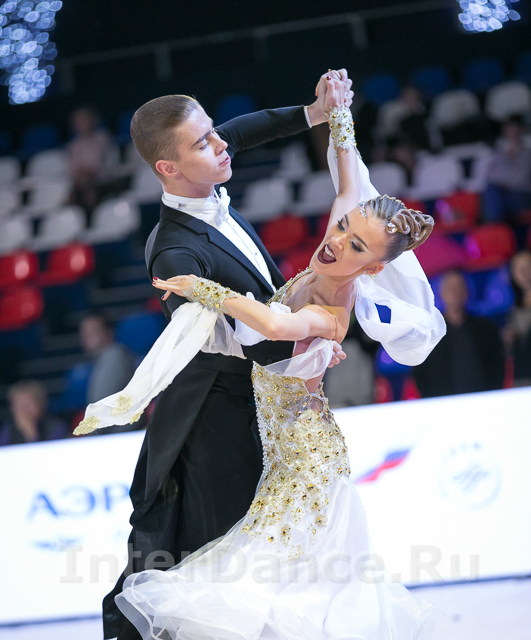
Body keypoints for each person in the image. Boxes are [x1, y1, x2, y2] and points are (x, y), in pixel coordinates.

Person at [78, 76, 446, 638]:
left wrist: (318, 112)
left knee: (260, 580)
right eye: (204, 142)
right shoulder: (177, 248)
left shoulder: (329, 296)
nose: (221, 144)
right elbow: (345, 186)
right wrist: (336, 118)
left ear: (372, 266)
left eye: (213, 133)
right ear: (169, 168)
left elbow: (273, 324)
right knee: (212, 560)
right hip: (222, 410)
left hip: (296, 446)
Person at [414, 270, 505, 398]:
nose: (454, 292)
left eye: (459, 286)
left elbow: (498, 368)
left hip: (483, 401)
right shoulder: (429, 333)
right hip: (442, 403)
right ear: (441, 293)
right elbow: (420, 375)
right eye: (450, 287)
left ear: (467, 291)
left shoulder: (486, 329)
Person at [67, 106, 117, 213]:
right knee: (74, 191)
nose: (79, 124)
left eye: (83, 120)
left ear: (91, 120)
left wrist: (88, 172)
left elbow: (99, 165)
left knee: (88, 188)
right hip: (82, 182)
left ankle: (94, 215)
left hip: (103, 180)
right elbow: (74, 168)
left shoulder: (103, 138)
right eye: (77, 122)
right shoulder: (74, 145)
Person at [482, 115, 531, 223]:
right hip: (503, 194)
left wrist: (503, 180)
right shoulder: (499, 153)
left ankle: (494, 226)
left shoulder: (527, 154)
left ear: (521, 130)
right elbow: (490, 176)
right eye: (509, 128)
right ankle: (495, 226)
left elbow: (521, 179)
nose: (512, 132)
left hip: (522, 195)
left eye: (515, 128)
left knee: (494, 199)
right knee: (492, 191)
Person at [0, 380, 68, 446]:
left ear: (40, 404)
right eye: (18, 404)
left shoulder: (56, 427)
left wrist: (31, 435)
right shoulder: (7, 429)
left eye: (28, 403)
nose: (23, 409)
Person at [504, 250, 531, 386]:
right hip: (522, 381)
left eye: (528, 266)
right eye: (519, 268)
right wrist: (507, 340)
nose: (524, 272)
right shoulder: (513, 310)